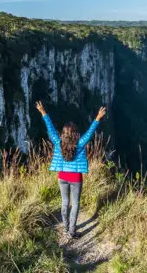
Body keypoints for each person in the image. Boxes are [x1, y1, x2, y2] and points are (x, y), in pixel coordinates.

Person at [36, 100, 106, 239]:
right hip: (76, 178)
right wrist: (98, 117)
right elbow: (90, 133)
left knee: (64, 203)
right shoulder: (80, 143)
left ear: (63, 133)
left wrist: (43, 111)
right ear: (75, 133)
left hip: (62, 177)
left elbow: (50, 128)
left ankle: (65, 228)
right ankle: (72, 231)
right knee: (75, 204)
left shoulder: (58, 142)